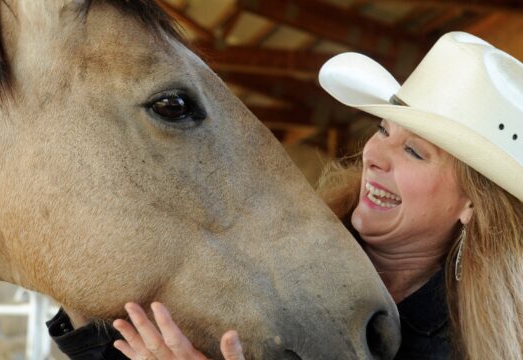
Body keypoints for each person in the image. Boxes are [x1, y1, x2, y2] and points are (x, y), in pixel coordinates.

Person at [47, 31, 523, 359]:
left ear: (474, 205)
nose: (375, 155)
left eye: (415, 152)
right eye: (383, 130)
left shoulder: (471, 344)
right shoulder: (277, 252)